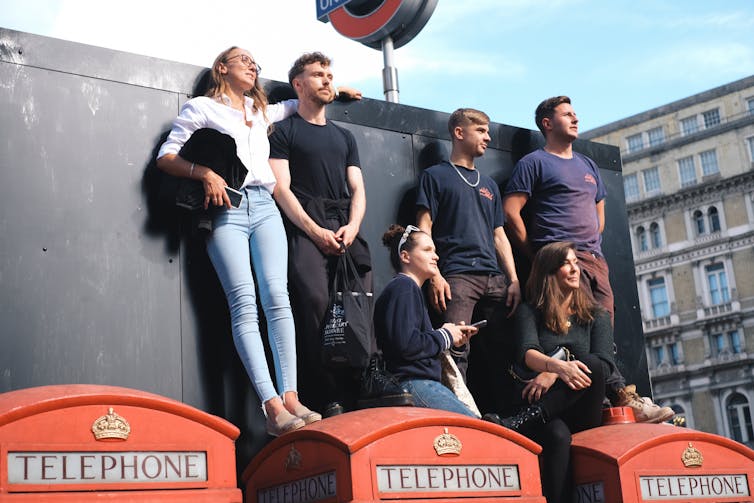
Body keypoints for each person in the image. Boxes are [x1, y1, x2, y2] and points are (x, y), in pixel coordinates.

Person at [156, 46, 358, 436]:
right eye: (243, 60)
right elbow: (167, 157)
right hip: (227, 208)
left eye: (255, 63)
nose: (252, 66)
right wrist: (205, 173)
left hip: (265, 206)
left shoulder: (261, 110)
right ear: (222, 68)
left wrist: (340, 89)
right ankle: (271, 405)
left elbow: (298, 103)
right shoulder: (201, 108)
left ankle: (292, 396)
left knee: (278, 300)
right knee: (244, 302)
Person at [503, 96, 673, 423]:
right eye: (567, 114)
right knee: (577, 333)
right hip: (562, 257)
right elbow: (511, 212)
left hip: (595, 259)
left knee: (602, 332)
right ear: (547, 123)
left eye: (575, 113)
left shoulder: (587, 164)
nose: (576, 118)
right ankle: (621, 395)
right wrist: (538, 256)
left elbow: (600, 219)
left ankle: (614, 397)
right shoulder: (534, 162)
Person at [269, 52, 413, 415]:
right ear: (298, 84)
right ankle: (325, 393)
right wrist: (315, 231)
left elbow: (358, 189)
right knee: (314, 303)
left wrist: (353, 226)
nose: (327, 80)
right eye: (318, 75)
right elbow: (281, 188)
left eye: (330, 75)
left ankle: (367, 381)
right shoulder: (283, 132)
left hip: (345, 225)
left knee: (359, 302)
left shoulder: (344, 136)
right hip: (307, 225)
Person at [485, 242, 614, 503]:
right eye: (566, 263)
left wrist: (556, 372)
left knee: (594, 363)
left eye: (576, 263)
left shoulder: (596, 315)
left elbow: (604, 364)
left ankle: (522, 421)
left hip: (580, 406)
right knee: (557, 436)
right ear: (549, 271)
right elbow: (527, 353)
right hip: (543, 404)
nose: (574, 269)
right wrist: (557, 366)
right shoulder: (530, 312)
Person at [416, 108, 521, 407]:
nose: (488, 137)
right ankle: (456, 418)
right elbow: (424, 227)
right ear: (459, 133)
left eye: (488, 131)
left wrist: (513, 279)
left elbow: (500, 236)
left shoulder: (489, 185)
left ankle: (505, 420)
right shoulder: (435, 176)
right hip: (458, 277)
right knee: (454, 352)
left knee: (506, 353)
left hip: (496, 280)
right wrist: (434, 274)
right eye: (481, 130)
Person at [375, 224, 479, 417]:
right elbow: (407, 344)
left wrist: (453, 340)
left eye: (435, 251)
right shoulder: (404, 287)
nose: (436, 256)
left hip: (418, 384)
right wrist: (445, 335)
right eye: (427, 250)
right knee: (478, 433)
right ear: (405, 256)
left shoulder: (406, 289)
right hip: (414, 384)